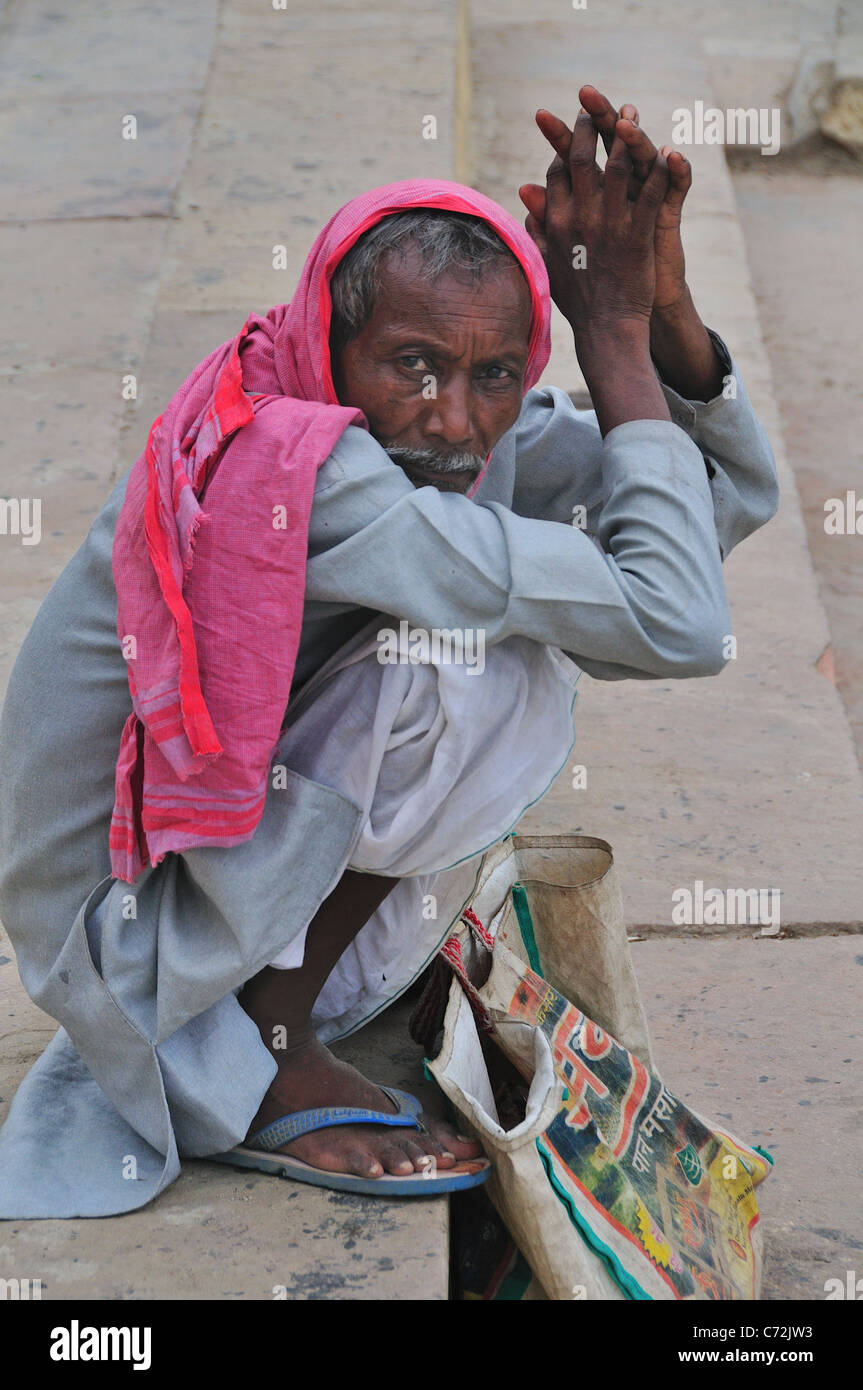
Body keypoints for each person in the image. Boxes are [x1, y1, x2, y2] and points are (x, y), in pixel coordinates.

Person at [0, 87, 778, 1216]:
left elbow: (701, 526)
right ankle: (265, 1042)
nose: (451, 418)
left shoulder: (442, 431)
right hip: (123, 938)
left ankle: (273, 1002)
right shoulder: (308, 471)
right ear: (329, 343)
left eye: (493, 376)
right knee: (471, 662)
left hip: (199, 896)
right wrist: (606, 336)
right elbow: (676, 623)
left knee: (503, 638)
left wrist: (660, 312)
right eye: (409, 365)